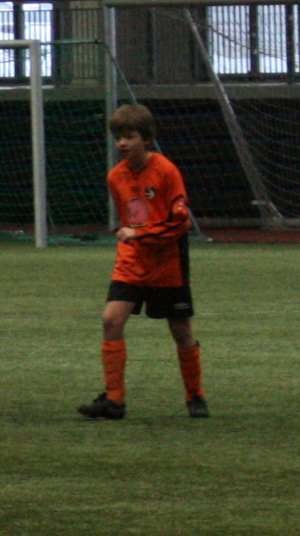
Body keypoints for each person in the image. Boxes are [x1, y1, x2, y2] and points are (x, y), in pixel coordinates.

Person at [78, 104, 208, 420]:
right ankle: (114, 401)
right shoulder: (116, 176)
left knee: (181, 331)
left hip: (167, 263)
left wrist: (140, 233)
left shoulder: (166, 171)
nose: (122, 143)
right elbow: (133, 215)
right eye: (118, 138)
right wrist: (135, 234)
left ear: (146, 139)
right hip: (132, 261)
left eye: (129, 137)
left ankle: (195, 395)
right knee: (111, 321)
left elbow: (180, 224)